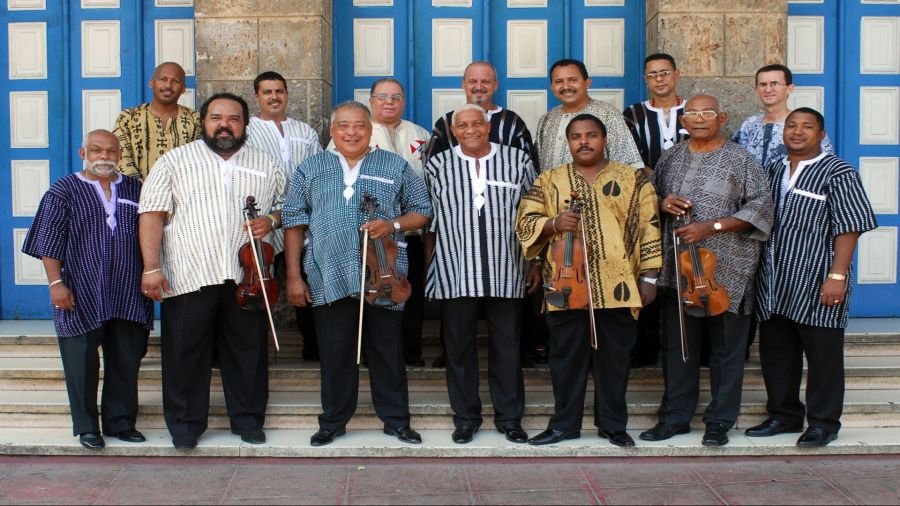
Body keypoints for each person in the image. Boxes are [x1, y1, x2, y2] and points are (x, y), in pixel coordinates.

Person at [139, 93, 286, 450]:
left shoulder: (267, 164)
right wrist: (151, 268)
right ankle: (185, 426)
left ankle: (248, 420)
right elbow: (152, 213)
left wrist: (271, 219)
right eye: (216, 118)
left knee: (248, 352)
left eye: (233, 119)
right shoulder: (174, 161)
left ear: (245, 124)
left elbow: (286, 208)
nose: (225, 125)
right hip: (189, 273)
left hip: (247, 276)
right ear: (203, 122)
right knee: (185, 353)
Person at [282, 101, 432, 447]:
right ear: (332, 131)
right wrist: (293, 276)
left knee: (387, 351)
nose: (351, 132)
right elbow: (293, 220)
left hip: (384, 275)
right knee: (335, 353)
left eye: (359, 126)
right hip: (327, 273)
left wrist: (393, 224)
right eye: (344, 126)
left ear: (370, 129)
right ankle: (333, 421)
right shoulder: (311, 167)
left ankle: (396, 421)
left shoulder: (394, 164)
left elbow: (422, 211)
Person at [517, 114, 662, 447]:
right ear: (568, 143)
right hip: (566, 285)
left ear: (605, 139)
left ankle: (613, 426)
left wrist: (650, 277)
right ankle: (563, 425)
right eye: (576, 137)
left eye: (591, 135)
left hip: (619, 285)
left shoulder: (633, 179)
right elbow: (525, 221)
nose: (584, 141)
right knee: (565, 359)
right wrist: (553, 223)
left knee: (615, 359)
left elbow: (650, 226)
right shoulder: (550, 179)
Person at [640, 95, 773, 447]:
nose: (699, 119)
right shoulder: (671, 157)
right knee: (678, 348)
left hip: (727, 271)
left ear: (722, 117)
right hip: (679, 271)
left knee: (726, 351)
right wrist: (662, 202)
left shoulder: (741, 159)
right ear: (683, 121)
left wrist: (711, 227)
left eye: (707, 113)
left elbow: (760, 209)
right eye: (693, 114)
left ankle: (719, 421)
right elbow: (649, 200)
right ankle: (675, 418)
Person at [748, 108, 877, 447]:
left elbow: (849, 226)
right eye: (791, 125)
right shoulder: (773, 169)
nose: (797, 131)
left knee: (823, 356)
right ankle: (784, 415)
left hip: (818, 279)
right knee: (777, 352)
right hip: (775, 280)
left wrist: (837, 275)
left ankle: (823, 423)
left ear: (821, 135)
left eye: (807, 126)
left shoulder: (838, 172)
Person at [22, 130, 153, 450]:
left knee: (126, 359)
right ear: (84, 153)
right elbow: (49, 240)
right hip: (80, 289)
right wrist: (56, 283)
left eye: (110, 151)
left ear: (119, 155)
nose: (104, 156)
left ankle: (121, 423)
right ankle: (87, 427)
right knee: (81, 361)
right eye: (96, 150)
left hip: (127, 289)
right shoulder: (63, 190)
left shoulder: (136, 188)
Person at [425, 104, 538, 445]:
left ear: (488, 126)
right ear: (453, 131)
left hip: (507, 269)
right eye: (462, 125)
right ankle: (465, 419)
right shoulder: (437, 165)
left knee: (508, 348)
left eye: (477, 123)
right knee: (458, 350)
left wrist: (535, 263)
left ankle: (510, 418)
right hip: (455, 270)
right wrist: (431, 265)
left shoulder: (518, 160)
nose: (470, 130)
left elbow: (534, 214)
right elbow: (429, 221)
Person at [426, 60, 546, 369]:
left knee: (507, 341)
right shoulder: (442, 141)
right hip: (456, 259)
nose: (479, 87)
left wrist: (535, 260)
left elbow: (531, 203)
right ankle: (458, 383)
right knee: (458, 339)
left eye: (485, 81)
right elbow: (434, 205)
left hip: (506, 259)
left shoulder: (514, 133)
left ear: (495, 85)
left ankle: (518, 369)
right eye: (472, 81)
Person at [328, 78, 431, 367]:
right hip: (367, 233)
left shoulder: (420, 134)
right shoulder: (354, 132)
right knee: (367, 290)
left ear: (404, 102)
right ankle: (366, 351)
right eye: (383, 97)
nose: (389, 102)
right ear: (371, 101)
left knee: (407, 289)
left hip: (409, 229)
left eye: (396, 97)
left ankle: (410, 348)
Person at [246, 70, 323, 362]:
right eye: (267, 92)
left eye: (279, 91)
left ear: (287, 94)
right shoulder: (248, 130)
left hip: (304, 217)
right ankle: (255, 351)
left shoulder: (305, 131)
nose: (274, 97)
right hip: (264, 216)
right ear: (257, 96)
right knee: (259, 283)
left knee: (306, 278)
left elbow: (318, 170)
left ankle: (314, 347)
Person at [623, 52, 690, 370]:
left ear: (676, 74)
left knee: (687, 270)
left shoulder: (694, 110)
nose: (659, 79)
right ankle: (645, 348)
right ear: (645, 79)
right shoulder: (633, 115)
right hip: (645, 205)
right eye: (652, 74)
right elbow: (631, 160)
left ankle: (690, 348)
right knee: (646, 270)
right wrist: (658, 196)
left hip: (690, 206)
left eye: (664, 72)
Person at [536, 59, 644, 172]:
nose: (566, 86)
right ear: (552, 87)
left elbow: (629, 166)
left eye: (573, 80)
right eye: (559, 81)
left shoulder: (608, 114)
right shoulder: (547, 119)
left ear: (587, 82)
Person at [732, 64, 833, 168]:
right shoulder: (749, 124)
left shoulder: (806, 125)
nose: (768, 89)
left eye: (774, 84)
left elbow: (827, 165)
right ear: (757, 90)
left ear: (790, 88)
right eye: (763, 85)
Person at [113, 62, 200, 181]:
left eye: (175, 81)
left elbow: (199, 159)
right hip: (136, 190)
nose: (168, 85)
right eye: (163, 79)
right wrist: (142, 187)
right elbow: (121, 157)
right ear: (151, 83)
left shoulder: (195, 119)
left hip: (182, 189)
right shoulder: (128, 118)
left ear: (183, 88)